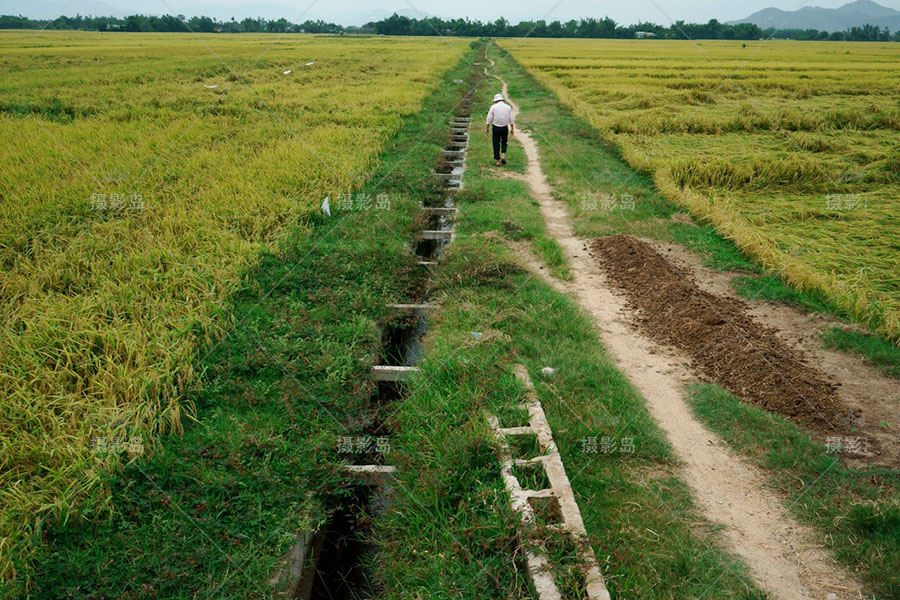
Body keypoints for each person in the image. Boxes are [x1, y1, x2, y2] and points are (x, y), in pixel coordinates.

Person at [485, 93, 514, 166]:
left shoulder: (493, 107)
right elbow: (511, 119)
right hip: (504, 127)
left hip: (496, 127)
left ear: (496, 100)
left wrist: (487, 128)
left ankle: (497, 161)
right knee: (504, 142)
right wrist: (512, 129)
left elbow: (489, 118)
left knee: (496, 143)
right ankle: (503, 155)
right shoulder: (508, 107)